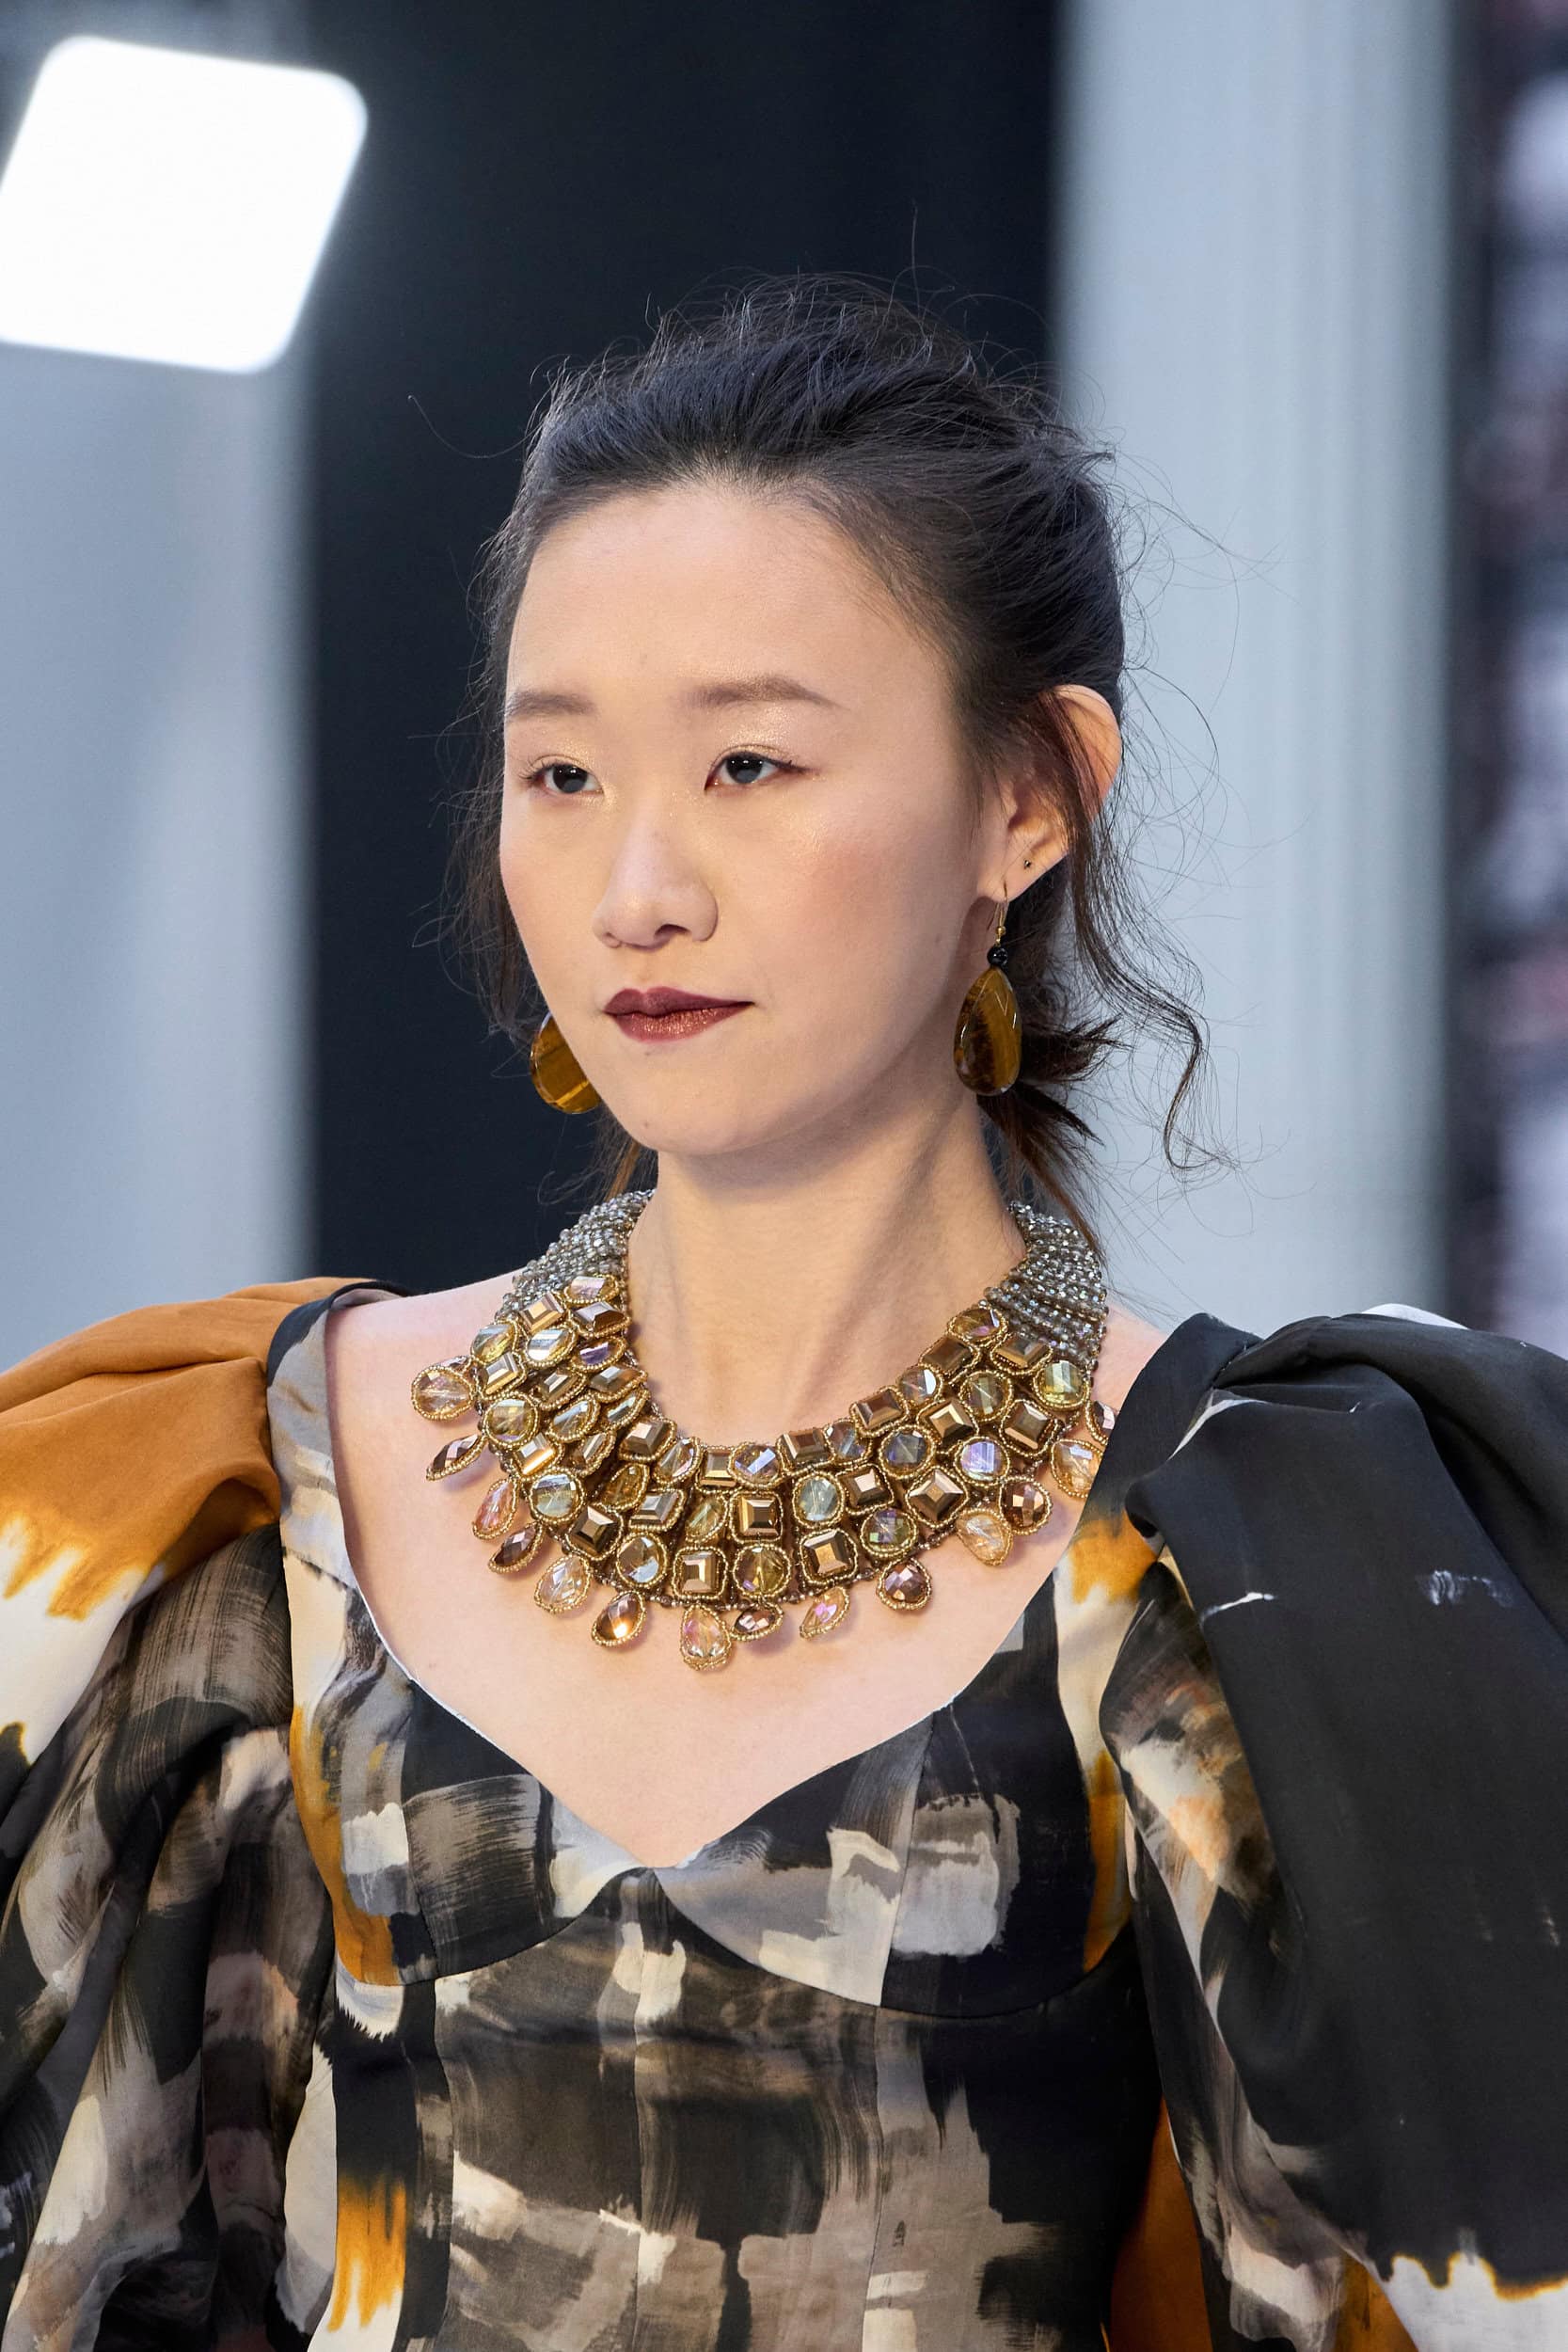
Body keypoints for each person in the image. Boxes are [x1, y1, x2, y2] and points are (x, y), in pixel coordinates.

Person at [3, 277, 1567, 2352]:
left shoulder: (1260, 1550)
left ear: (1032, 792)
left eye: (748, 762)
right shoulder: (245, 1485)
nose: (637, 887)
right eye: (560, 774)